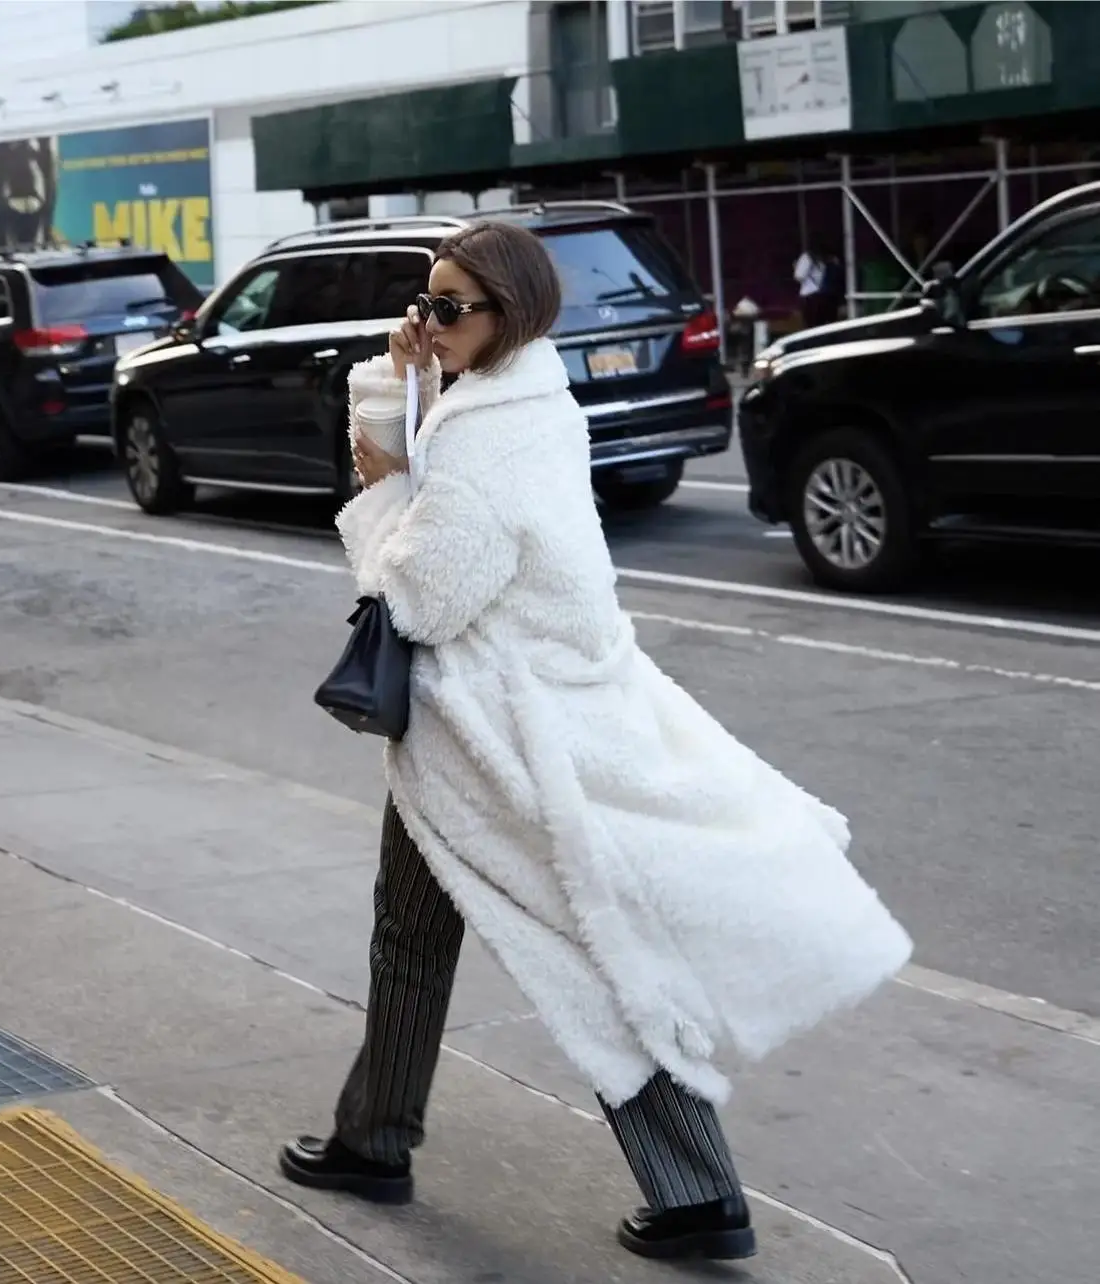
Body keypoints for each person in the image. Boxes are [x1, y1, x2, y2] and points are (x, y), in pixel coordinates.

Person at [280, 222, 911, 1262]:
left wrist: (385, 482)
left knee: (589, 949)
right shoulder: (525, 395)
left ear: (508, 313)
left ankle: (697, 1198)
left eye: (450, 308)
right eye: (424, 303)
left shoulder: (488, 431)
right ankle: (374, 1138)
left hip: (501, 741)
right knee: (421, 931)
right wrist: (398, 395)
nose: (428, 325)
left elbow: (425, 597)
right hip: (504, 726)